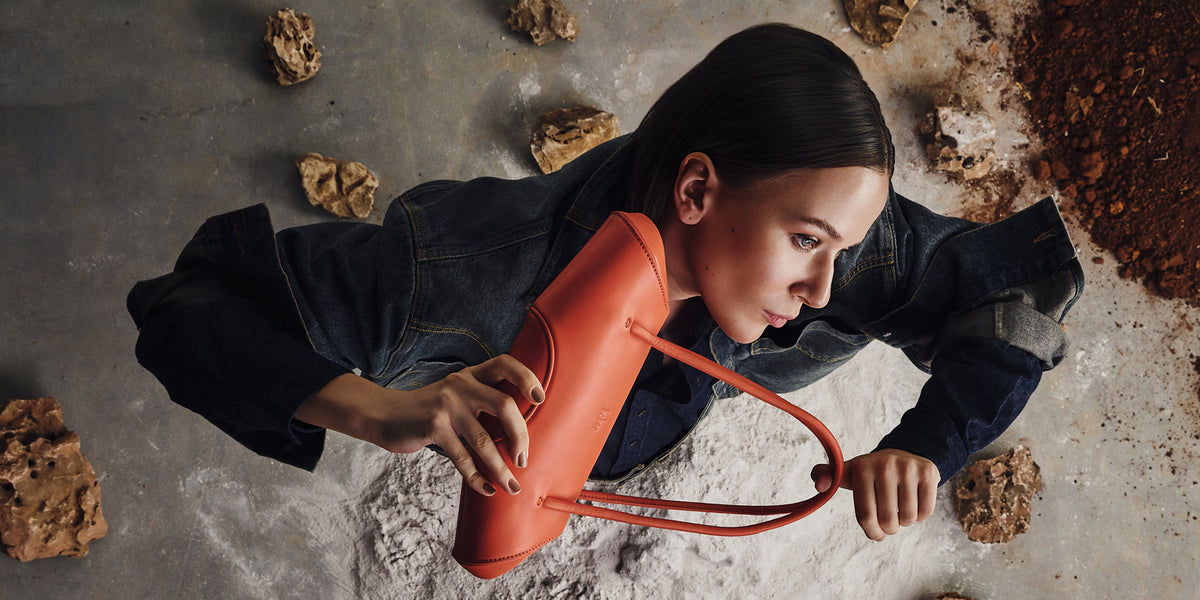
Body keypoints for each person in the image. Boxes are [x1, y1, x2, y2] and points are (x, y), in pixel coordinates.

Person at [127, 23, 1083, 542]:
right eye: (806, 242)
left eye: (845, 247)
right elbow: (184, 310)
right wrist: (379, 411)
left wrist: (927, 445)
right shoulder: (467, 271)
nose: (827, 292)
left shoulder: (814, 257)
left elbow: (1019, 296)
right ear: (698, 188)